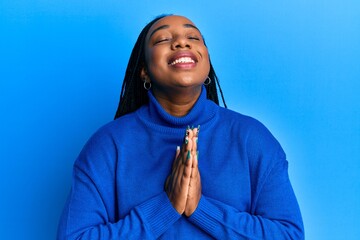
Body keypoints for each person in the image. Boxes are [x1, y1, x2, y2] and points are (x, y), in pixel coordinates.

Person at [57, 14, 304, 239]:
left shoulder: (252, 139)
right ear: (144, 72)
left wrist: (201, 208)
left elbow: (289, 235)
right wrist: (165, 207)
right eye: (163, 38)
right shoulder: (107, 146)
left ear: (206, 64)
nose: (181, 43)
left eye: (193, 37)